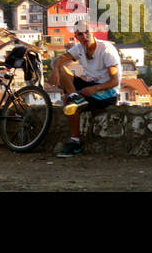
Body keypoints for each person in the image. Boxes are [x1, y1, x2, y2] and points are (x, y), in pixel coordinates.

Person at [48, 19, 121, 157]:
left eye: (87, 32)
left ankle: (75, 141)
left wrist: (95, 89)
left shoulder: (105, 50)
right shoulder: (79, 48)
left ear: (92, 31)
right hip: (89, 84)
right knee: (64, 76)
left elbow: (114, 81)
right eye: (80, 34)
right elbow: (59, 60)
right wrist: (56, 70)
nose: (85, 37)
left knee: (68, 102)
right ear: (76, 37)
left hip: (107, 91)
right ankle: (75, 96)